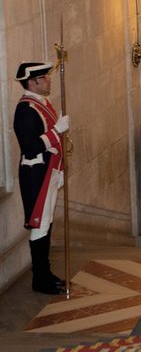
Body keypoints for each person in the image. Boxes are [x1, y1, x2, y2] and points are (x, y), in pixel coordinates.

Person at [13, 62, 69, 295]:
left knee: (46, 224)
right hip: (36, 174)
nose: (49, 80)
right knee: (39, 225)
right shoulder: (26, 109)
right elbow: (31, 147)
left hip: (49, 172)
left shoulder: (42, 103)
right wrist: (57, 131)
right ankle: (40, 279)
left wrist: (60, 169)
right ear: (32, 82)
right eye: (44, 77)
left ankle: (45, 273)